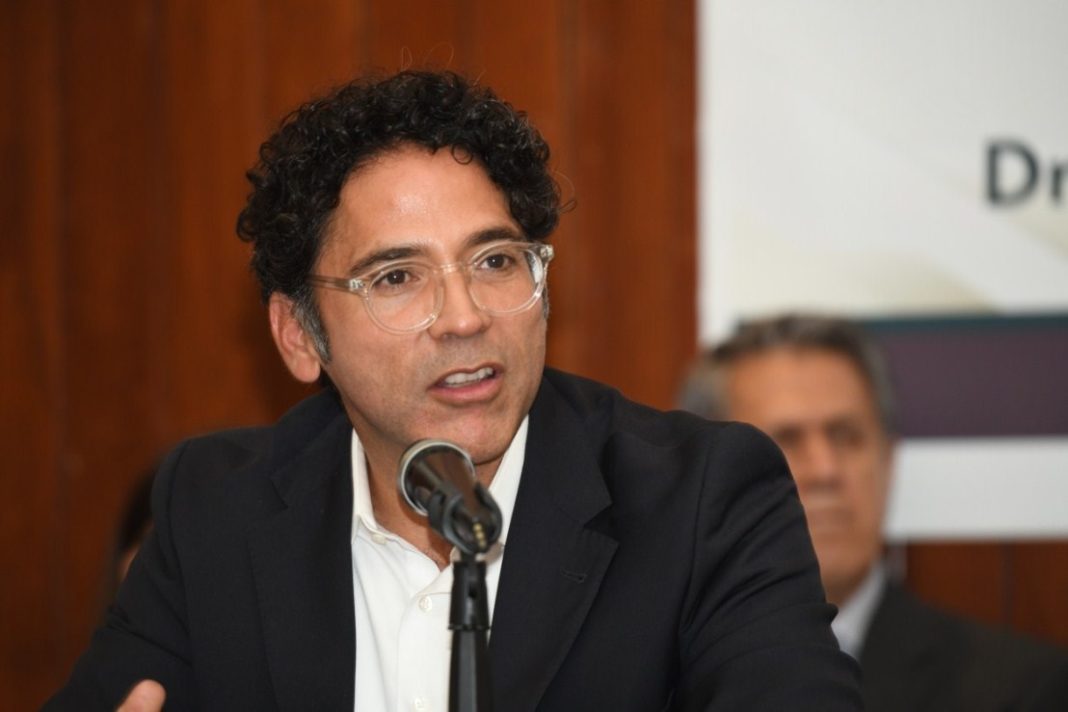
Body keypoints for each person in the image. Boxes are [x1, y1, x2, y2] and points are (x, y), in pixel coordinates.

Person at [47, 72, 860, 711]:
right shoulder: (216, 512)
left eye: (495, 261)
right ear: (299, 336)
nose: (466, 317)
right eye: (397, 277)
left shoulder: (700, 500)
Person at [679, 313, 1068, 712]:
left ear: (889, 461)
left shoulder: (1020, 690)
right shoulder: (653, 680)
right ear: (709, 479)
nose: (825, 470)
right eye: (785, 441)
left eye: (846, 437)